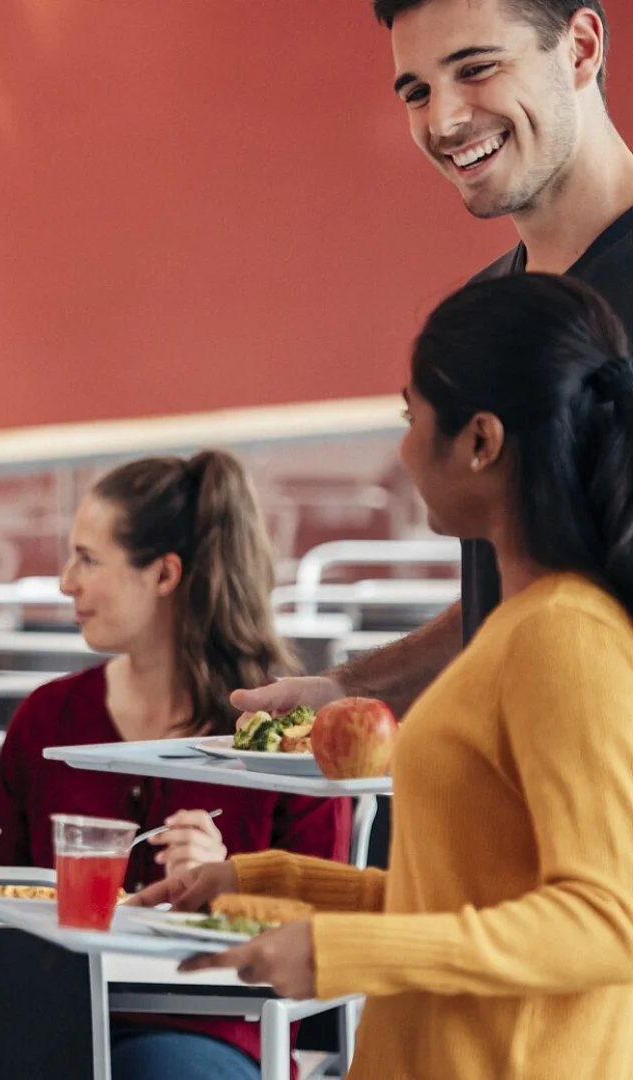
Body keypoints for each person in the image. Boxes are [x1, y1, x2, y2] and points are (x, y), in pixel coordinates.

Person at [138, 274, 633, 1078]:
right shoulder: (521, 627)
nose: (402, 449)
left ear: (479, 441)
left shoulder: (564, 639)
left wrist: (339, 949)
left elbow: (608, 921)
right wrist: (253, 881)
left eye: (412, 419)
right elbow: (451, 910)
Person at [241, 0, 633, 717]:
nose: (445, 120)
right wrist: (351, 690)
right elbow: (517, 599)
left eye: (477, 69)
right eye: (417, 91)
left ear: (579, 48)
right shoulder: (488, 307)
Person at [0, 451, 351, 1080]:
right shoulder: (46, 720)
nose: (66, 581)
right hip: (47, 1021)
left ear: (164, 574)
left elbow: (320, 935)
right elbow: (7, 889)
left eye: (88, 559)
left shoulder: (282, 735)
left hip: (212, 1032)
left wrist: (230, 887)